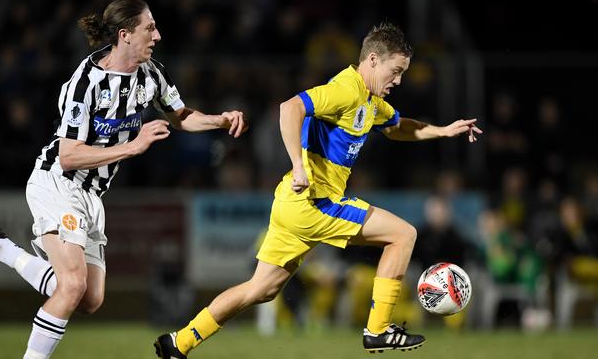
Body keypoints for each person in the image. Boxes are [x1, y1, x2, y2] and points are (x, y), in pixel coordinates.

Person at [154, 22, 481, 358]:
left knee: (261, 289)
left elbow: (398, 128)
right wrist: (298, 163)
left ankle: (179, 343)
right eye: (395, 71)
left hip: (293, 204)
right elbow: (289, 108)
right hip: (315, 201)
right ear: (372, 60)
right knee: (404, 235)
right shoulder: (345, 90)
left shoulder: (370, 99)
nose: (398, 80)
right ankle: (378, 329)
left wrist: (444, 130)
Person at [0, 0, 246, 359]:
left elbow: (180, 115)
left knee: (88, 298)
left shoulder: (152, 73)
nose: (158, 35)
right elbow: (69, 155)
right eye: (149, 28)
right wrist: (133, 147)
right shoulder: (85, 83)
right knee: (72, 284)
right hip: (59, 182)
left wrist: (219, 120)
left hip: (92, 197)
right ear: (125, 35)